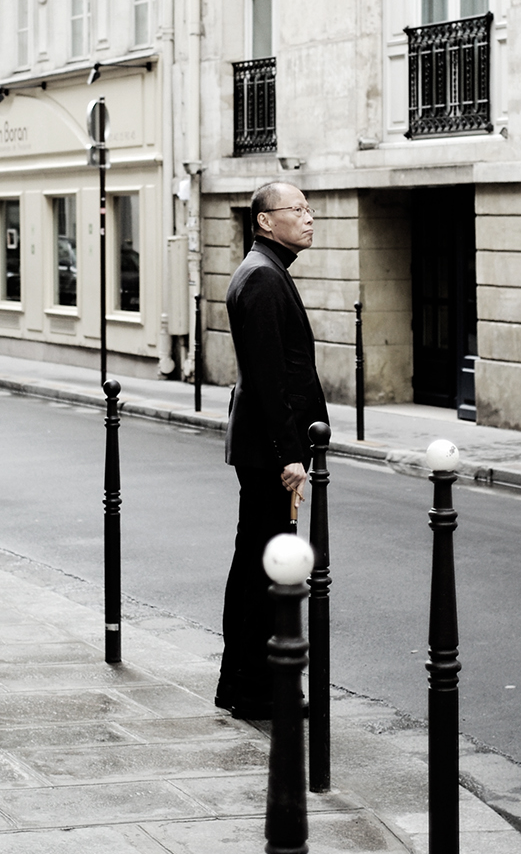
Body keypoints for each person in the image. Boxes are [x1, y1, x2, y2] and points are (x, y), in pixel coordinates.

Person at [217, 181, 329, 719]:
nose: (309, 217)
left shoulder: (265, 269)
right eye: (297, 209)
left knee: (254, 566)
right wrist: (290, 454)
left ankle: (240, 684)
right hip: (269, 452)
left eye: (309, 208)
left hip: (264, 446)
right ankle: (258, 690)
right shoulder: (262, 276)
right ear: (265, 221)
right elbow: (267, 376)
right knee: (266, 571)